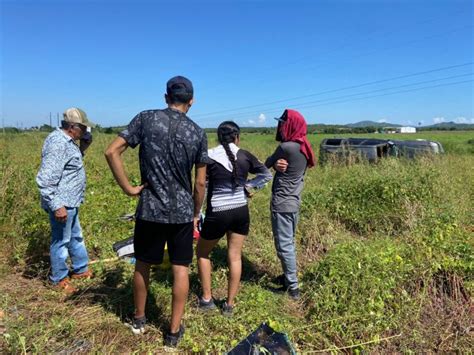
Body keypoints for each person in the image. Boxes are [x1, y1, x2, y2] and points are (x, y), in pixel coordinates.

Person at [104, 76, 208, 347]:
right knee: (181, 268)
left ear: (166, 97)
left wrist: (129, 188)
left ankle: (139, 318)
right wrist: (196, 211)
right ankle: (173, 332)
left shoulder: (146, 119)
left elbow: (111, 151)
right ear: (191, 101)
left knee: (143, 263)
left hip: (150, 208)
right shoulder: (197, 132)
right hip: (182, 213)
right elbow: (199, 182)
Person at [196, 121, 272, 316]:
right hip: (240, 211)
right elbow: (266, 175)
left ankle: (206, 299)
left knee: (203, 253)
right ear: (237, 137)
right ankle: (229, 305)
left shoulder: (209, 156)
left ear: (218, 137)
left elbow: (201, 186)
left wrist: (196, 213)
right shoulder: (245, 155)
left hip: (218, 213)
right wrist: (248, 186)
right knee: (235, 256)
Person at [36, 108, 95, 294]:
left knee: (75, 236)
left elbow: (71, 165)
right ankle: (59, 278)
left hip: (71, 201)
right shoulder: (57, 143)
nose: (86, 133)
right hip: (62, 203)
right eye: (84, 129)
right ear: (72, 127)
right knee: (61, 241)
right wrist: (56, 205)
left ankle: (80, 269)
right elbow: (45, 180)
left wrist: (83, 146)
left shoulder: (69, 142)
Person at [265, 109, 315, 300]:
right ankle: (288, 277)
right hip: (293, 202)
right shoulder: (303, 145)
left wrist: (275, 163)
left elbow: (265, 164)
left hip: (282, 203)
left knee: (284, 245)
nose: (280, 127)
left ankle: (292, 288)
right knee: (289, 242)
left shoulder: (287, 147)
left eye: (283, 124)